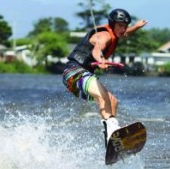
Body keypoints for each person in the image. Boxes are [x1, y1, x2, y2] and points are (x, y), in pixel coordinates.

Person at [62, 8, 147, 146]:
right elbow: (97, 49)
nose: (123, 29)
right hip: (74, 73)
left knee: (113, 101)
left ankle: (112, 138)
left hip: (81, 76)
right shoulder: (104, 36)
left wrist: (136, 27)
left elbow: (124, 34)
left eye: (125, 26)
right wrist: (101, 60)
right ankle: (111, 134)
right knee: (103, 97)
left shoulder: (117, 33)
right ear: (112, 24)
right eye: (120, 25)